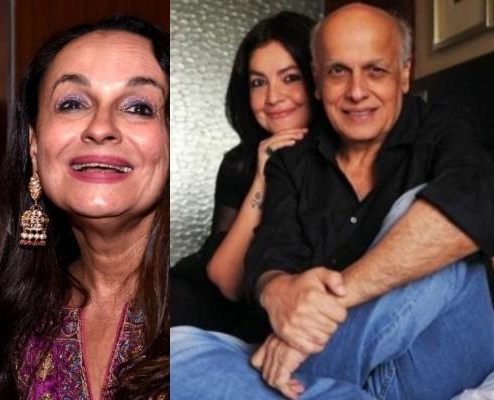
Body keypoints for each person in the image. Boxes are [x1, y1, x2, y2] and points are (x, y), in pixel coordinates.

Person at [172, 3, 494, 399]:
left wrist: (311, 321)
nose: (356, 92)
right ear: (319, 81)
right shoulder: (290, 162)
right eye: (339, 71)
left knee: (428, 220)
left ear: (404, 74)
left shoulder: (444, 126)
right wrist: (278, 291)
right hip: (329, 373)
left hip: (417, 359)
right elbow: (272, 254)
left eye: (375, 70)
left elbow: (475, 199)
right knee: (177, 349)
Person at [0, 15, 169, 400]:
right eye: (72, 103)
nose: (100, 127)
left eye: (138, 108)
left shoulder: (206, 310)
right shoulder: (11, 322)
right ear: (34, 145)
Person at [171, 11, 317, 342]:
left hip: (269, 323)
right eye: (258, 82)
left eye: (290, 77)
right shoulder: (240, 162)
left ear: (316, 78)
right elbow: (225, 280)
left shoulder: (343, 159)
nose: (273, 97)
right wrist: (264, 176)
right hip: (199, 306)